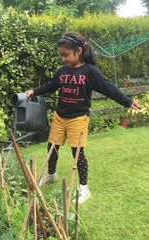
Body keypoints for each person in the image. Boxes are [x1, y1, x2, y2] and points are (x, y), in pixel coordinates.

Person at [25, 32, 139, 204]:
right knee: (52, 147)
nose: (63, 58)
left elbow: (109, 88)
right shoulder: (62, 71)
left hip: (77, 119)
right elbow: (51, 86)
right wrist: (34, 91)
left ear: (78, 51)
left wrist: (128, 101)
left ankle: (84, 187)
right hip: (60, 116)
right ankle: (51, 174)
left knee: (77, 152)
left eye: (66, 55)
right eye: (61, 55)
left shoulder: (90, 72)